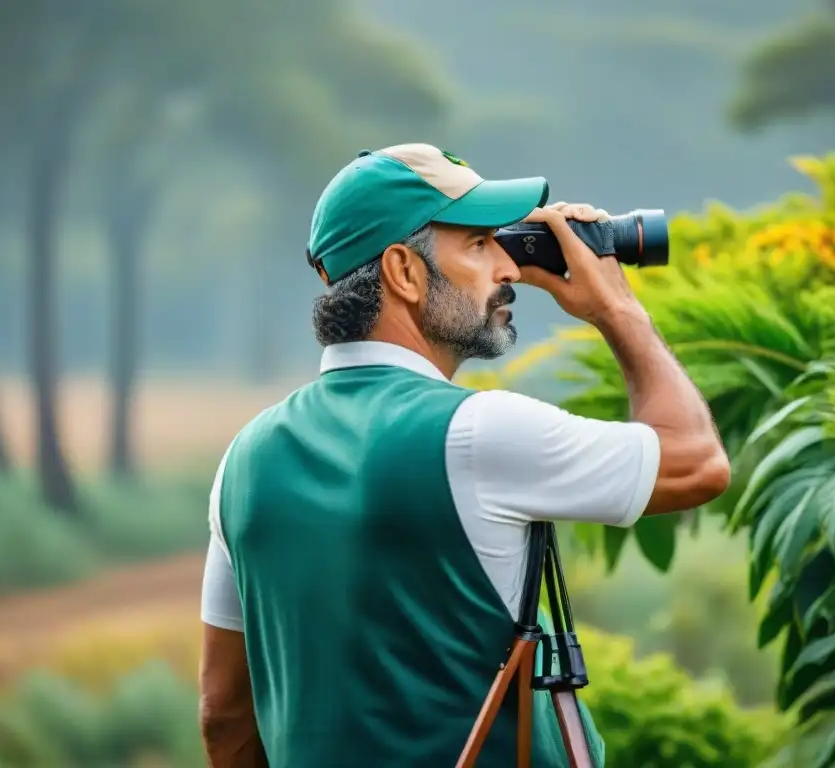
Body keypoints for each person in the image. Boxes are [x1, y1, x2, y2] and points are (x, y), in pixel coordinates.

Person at [198, 143, 730, 767]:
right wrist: (616, 306)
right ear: (404, 271)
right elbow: (696, 462)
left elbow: (224, 717)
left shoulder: (244, 460)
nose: (508, 268)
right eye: (479, 243)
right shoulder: (481, 432)